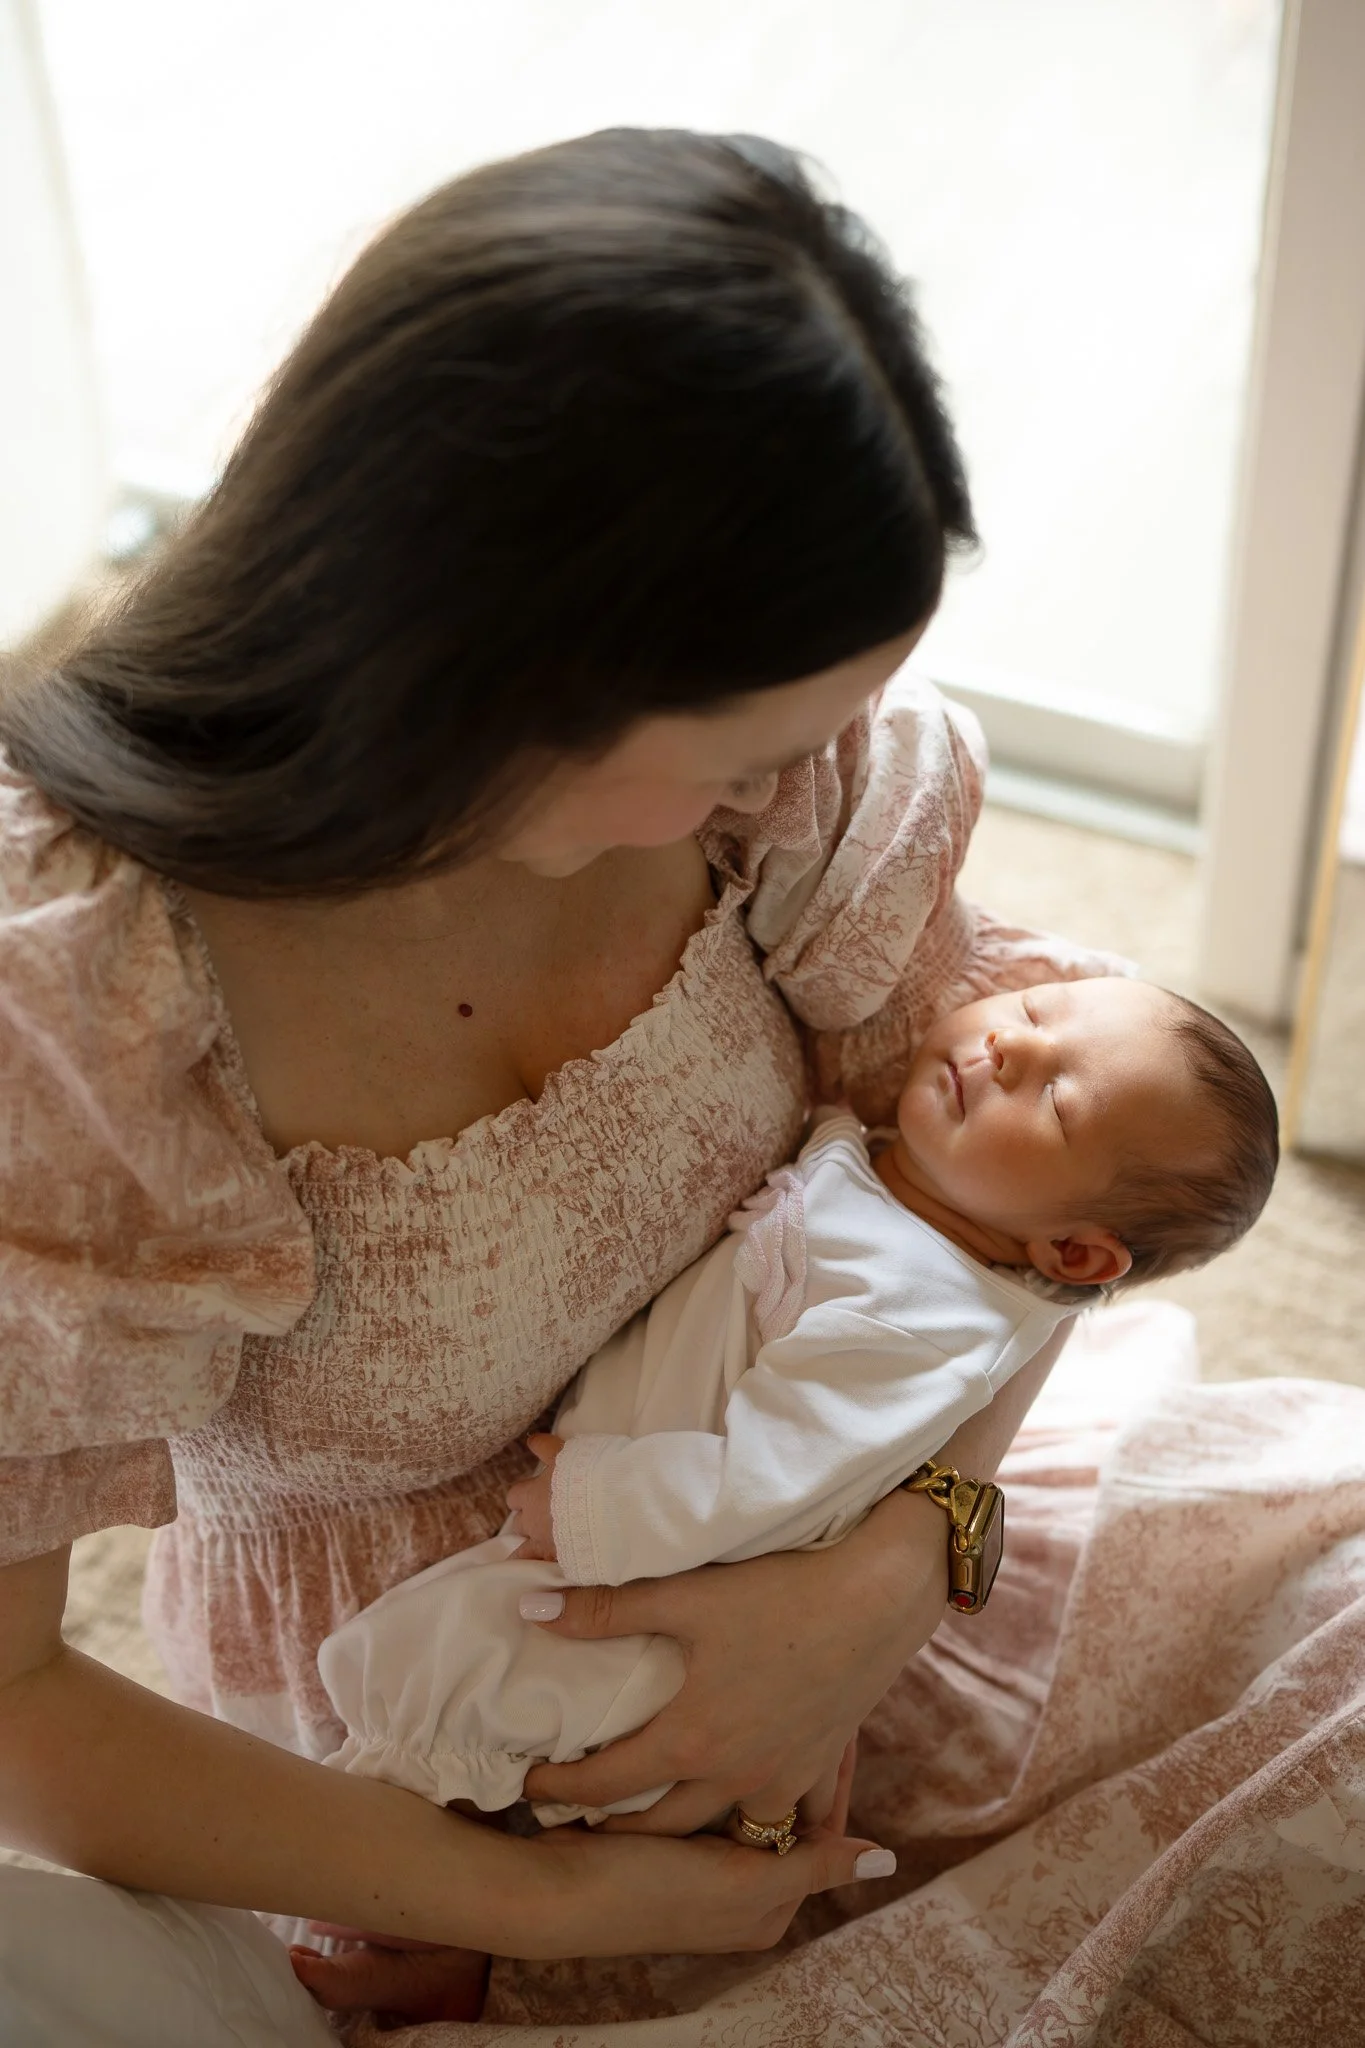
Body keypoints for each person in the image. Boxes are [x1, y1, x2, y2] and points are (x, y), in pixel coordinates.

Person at [0, 127, 1113, 2042]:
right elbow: (16, 1703)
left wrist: (899, 1561)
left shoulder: (791, 802)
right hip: (445, 1766)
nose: (788, 776)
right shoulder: (78, 1008)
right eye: (739, 744)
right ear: (504, 669)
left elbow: (1028, 1205)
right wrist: (551, 1890)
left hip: (870, 1506)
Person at [310, 978, 1276, 1927]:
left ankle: (410, 1907)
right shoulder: (900, 1185)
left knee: (449, 1681)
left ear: (1073, 1256)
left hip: (678, 1599)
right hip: (662, 1556)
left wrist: (592, 1504)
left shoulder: (923, 1316)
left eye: (1056, 1101)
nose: (1008, 1047)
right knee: (450, 1735)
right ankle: (429, 1912)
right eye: (1035, 1007)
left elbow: (769, 1478)